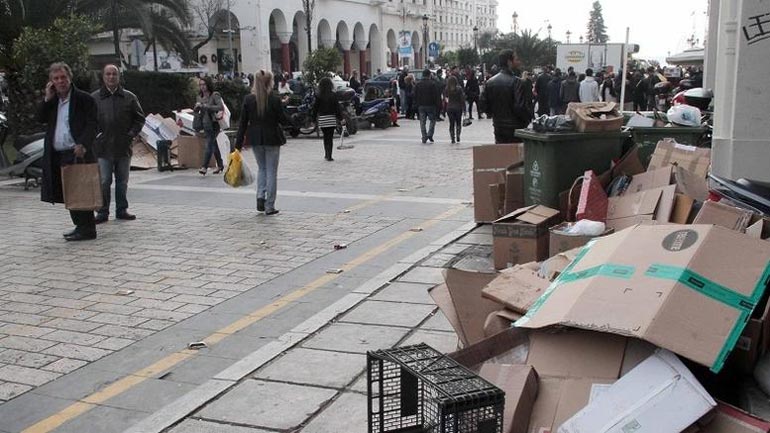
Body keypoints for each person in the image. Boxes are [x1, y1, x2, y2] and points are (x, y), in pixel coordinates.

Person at [37, 62, 98, 241]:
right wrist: (47, 99)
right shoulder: (53, 100)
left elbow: (93, 124)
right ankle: (79, 225)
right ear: (51, 82)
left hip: (77, 152)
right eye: (56, 79)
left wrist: (83, 144)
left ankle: (88, 228)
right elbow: (40, 118)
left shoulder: (84, 99)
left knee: (81, 190)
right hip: (58, 154)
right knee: (68, 192)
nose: (60, 81)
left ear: (69, 78)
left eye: (63, 77)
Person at [91, 64, 145, 225]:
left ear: (119, 76)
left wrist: (131, 135)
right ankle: (102, 211)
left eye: (114, 74)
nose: (111, 77)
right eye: (108, 74)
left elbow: (139, 118)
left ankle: (121, 210)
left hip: (123, 147)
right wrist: (96, 136)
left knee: (122, 181)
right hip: (103, 148)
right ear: (103, 77)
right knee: (104, 180)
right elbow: (89, 120)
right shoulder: (95, 98)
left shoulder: (129, 97)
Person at [234, 70, 288, 215]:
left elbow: (243, 123)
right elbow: (283, 120)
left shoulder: (248, 99)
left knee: (262, 169)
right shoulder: (274, 99)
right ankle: (269, 205)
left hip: (255, 138)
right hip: (272, 137)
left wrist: (237, 145)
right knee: (271, 171)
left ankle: (260, 197)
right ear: (270, 82)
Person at [480, 49, 533, 144]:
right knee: (515, 156)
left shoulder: (490, 82)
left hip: (498, 125)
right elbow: (520, 106)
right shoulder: (516, 82)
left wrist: (494, 114)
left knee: (501, 154)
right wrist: (527, 119)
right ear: (509, 62)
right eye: (516, 59)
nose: (518, 62)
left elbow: (484, 104)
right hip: (515, 126)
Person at [194, 76, 224, 175]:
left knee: (209, 144)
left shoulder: (214, 95)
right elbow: (198, 112)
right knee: (213, 144)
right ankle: (220, 165)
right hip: (205, 124)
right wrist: (197, 108)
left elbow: (220, 107)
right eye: (200, 85)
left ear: (208, 85)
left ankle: (204, 167)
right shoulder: (199, 97)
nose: (202, 87)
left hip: (214, 123)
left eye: (204, 84)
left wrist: (206, 106)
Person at [312, 77, 343, 161]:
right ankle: (330, 155)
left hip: (323, 119)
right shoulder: (333, 95)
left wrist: (313, 118)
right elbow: (337, 108)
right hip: (331, 118)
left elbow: (315, 107)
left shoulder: (319, 95)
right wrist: (341, 118)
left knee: (325, 137)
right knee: (330, 137)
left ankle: (326, 154)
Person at [414, 68, 441, 143]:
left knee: (422, 122)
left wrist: (416, 104)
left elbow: (415, 95)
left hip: (421, 105)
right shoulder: (432, 84)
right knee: (432, 120)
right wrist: (438, 105)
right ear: (429, 75)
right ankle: (430, 134)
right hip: (431, 105)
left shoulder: (418, 84)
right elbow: (436, 95)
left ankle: (424, 136)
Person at [443, 75, 466, 144]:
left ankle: (452, 138)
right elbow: (462, 99)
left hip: (450, 108)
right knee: (458, 123)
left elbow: (445, 99)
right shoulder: (459, 89)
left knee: (451, 123)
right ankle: (458, 135)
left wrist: (444, 110)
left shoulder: (447, 89)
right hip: (458, 108)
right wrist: (464, 108)